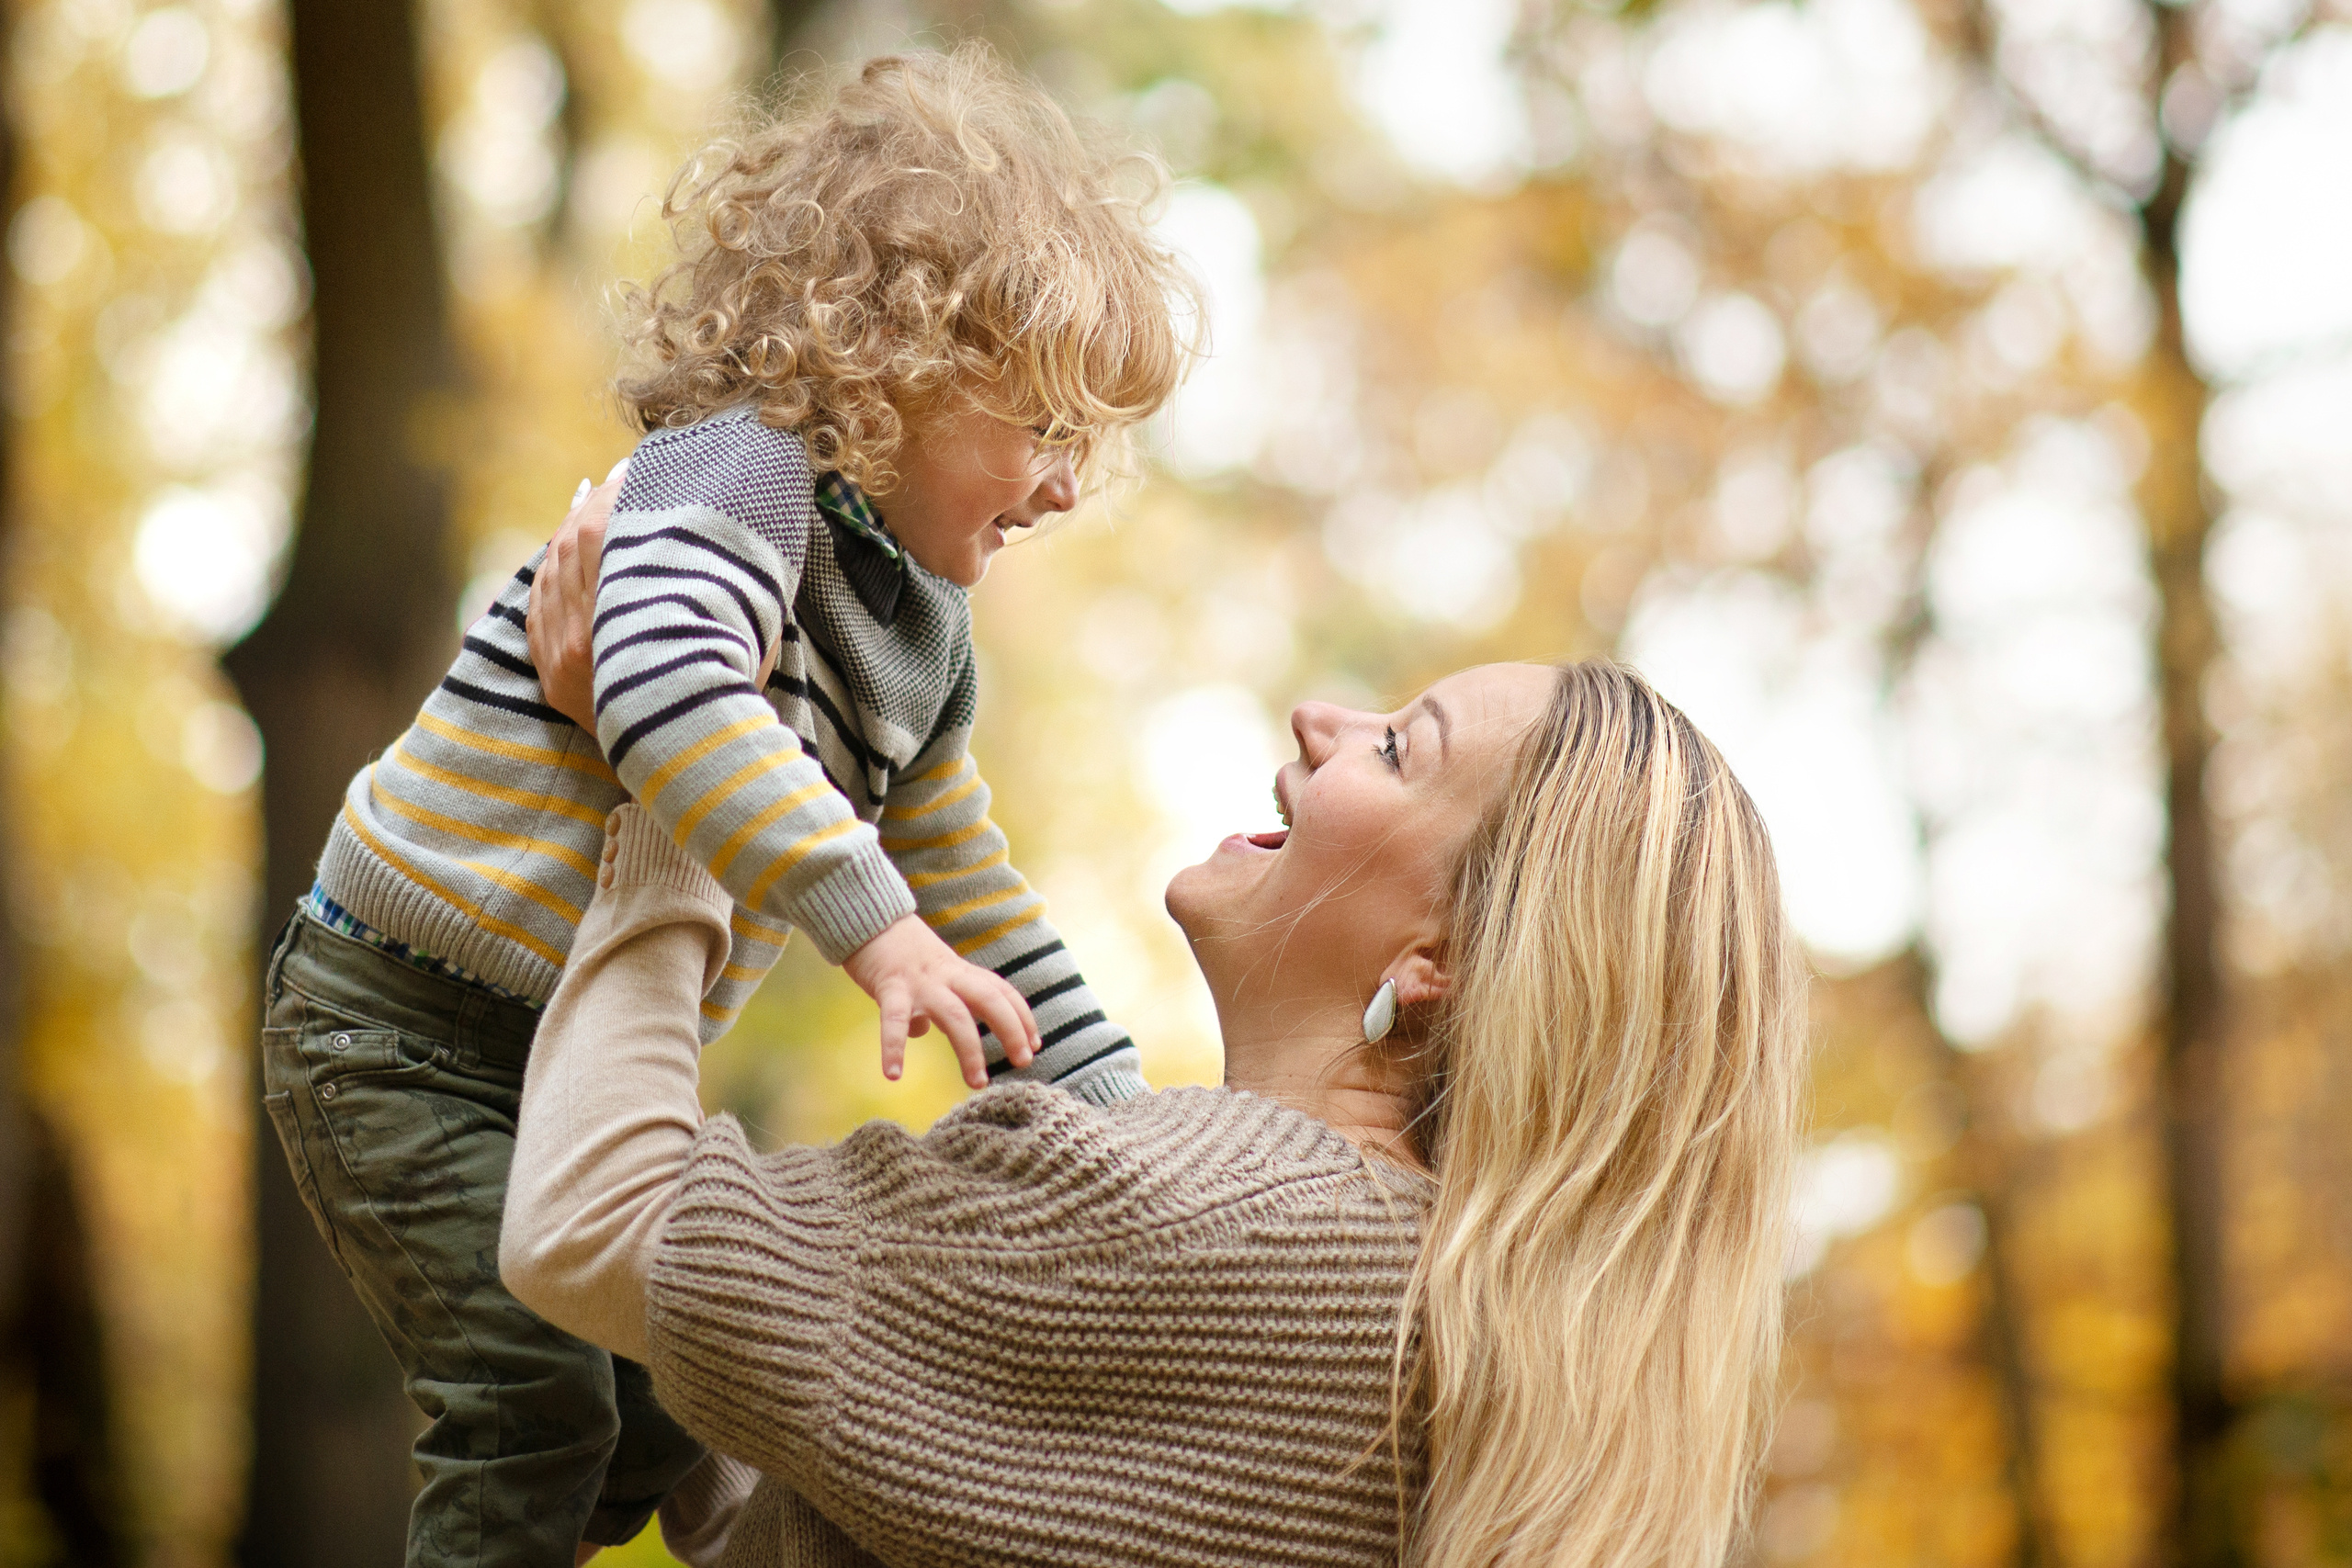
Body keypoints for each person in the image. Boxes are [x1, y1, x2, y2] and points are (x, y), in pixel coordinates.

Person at [256, 45, 1194, 1567]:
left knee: (696, 1375)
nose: (1070, 487)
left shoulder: (921, 638)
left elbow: (969, 883)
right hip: (400, 1024)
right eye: (1045, 425)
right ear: (900, 360)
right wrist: (874, 936)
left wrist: (1120, 1131)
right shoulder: (732, 477)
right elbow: (669, 696)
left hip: (559, 1064)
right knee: (528, 1395)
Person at [504, 537, 1813, 1566]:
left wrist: (672, 794)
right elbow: (828, 1528)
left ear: (1441, 962)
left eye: (1401, 747)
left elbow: (594, 1220)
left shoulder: (1177, 1210)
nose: (1320, 718)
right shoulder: (1471, 1342)